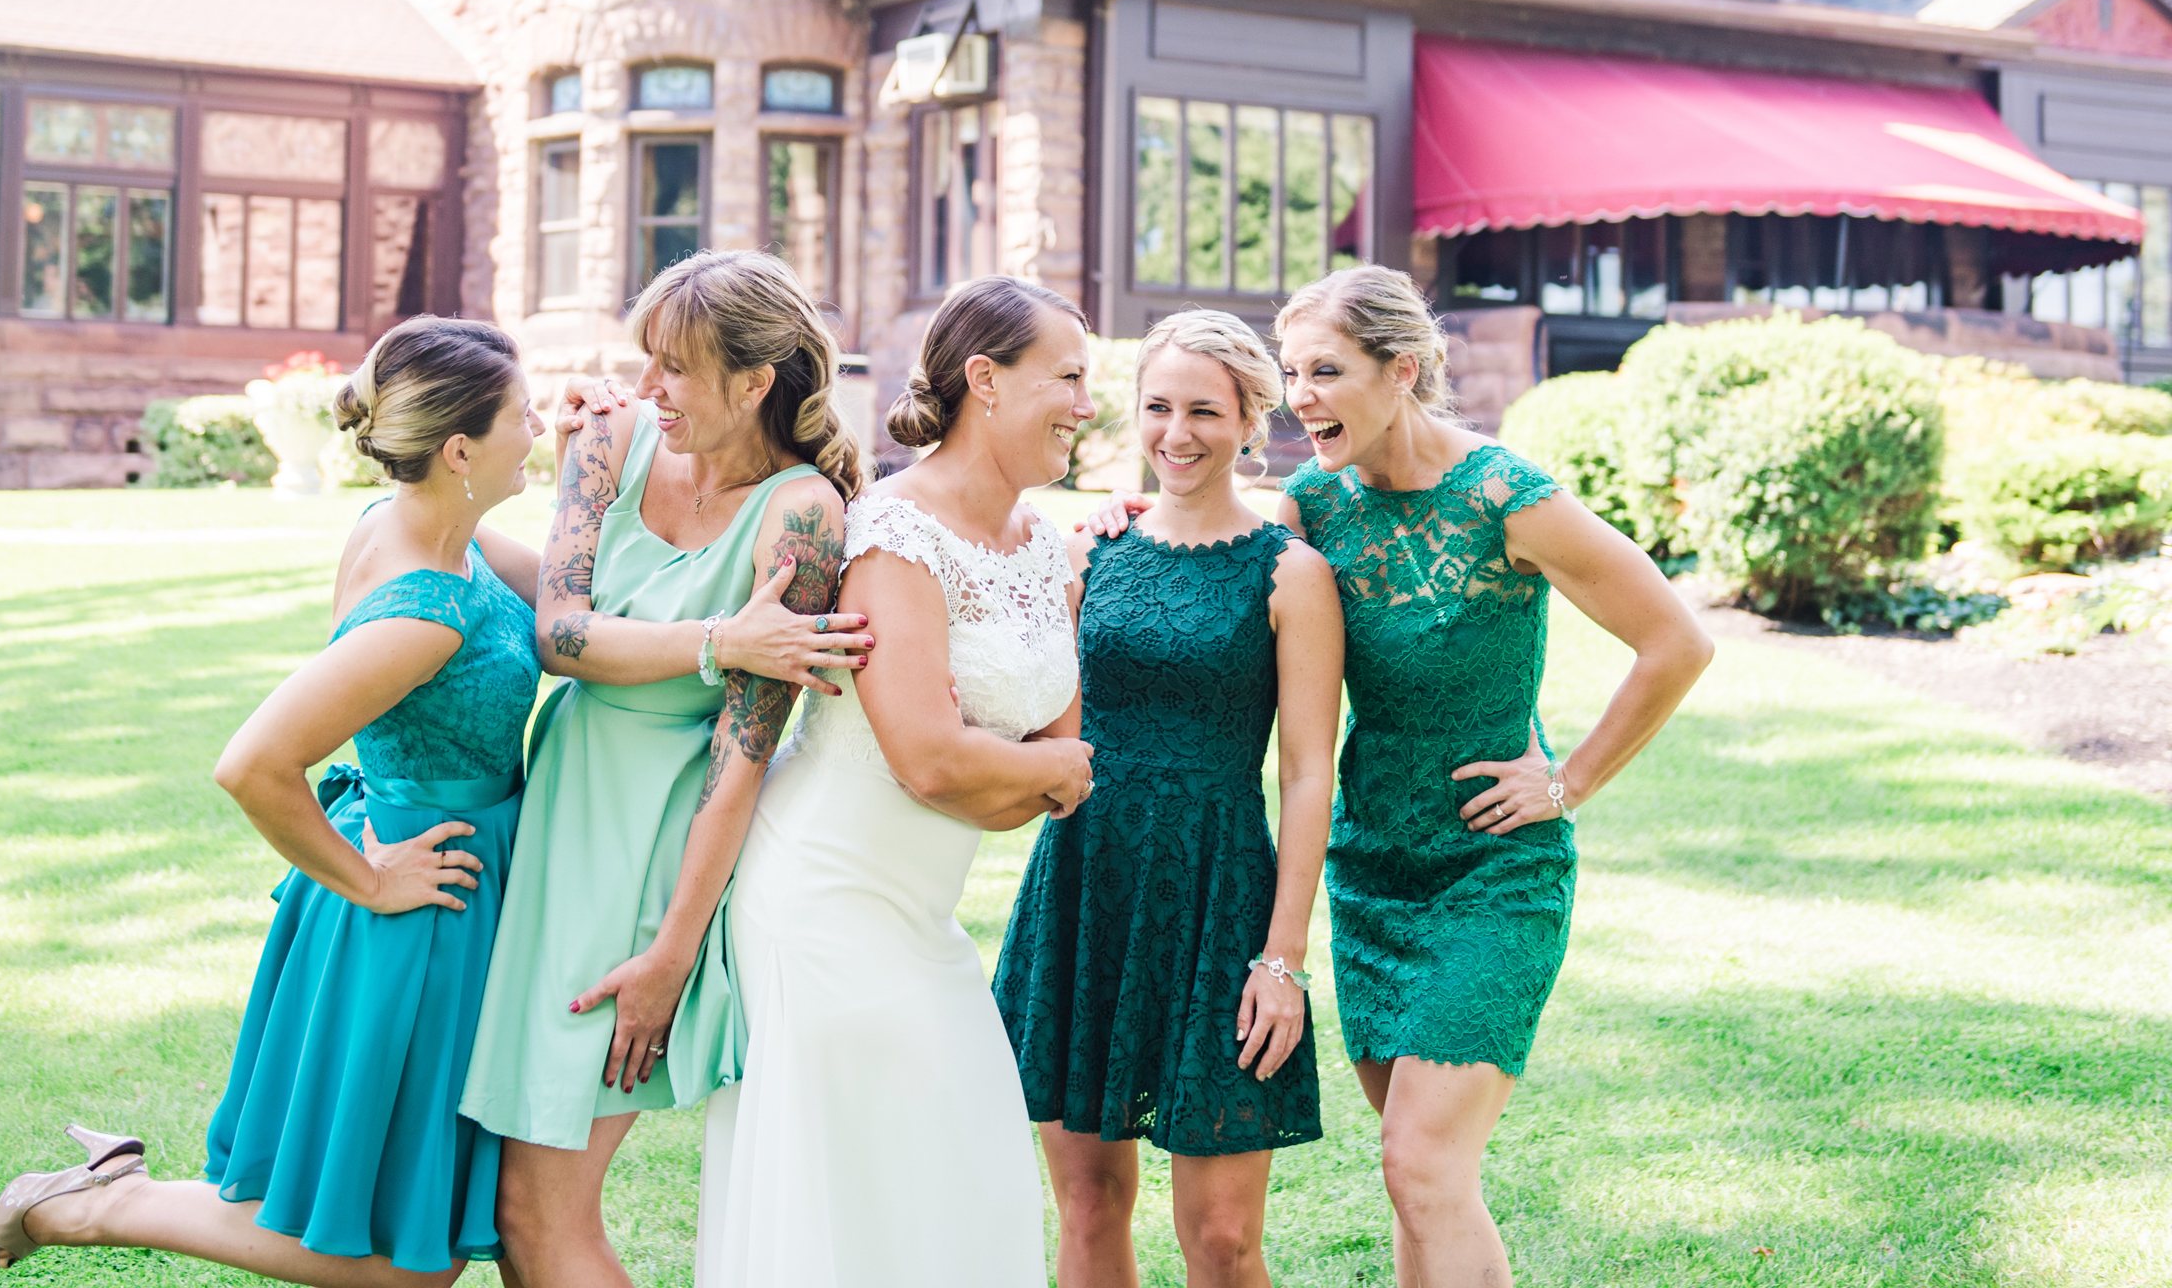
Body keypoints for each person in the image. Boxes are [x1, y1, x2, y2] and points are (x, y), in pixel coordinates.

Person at [1089, 266, 1712, 1287]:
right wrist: (1132, 519)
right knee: (1417, 1178)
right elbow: (1219, 556)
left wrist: (1569, 782)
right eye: (1293, 373)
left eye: (1327, 370)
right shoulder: (1315, 505)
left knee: (1423, 1164)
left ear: (1403, 369)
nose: (1302, 397)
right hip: (1372, 871)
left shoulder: (1507, 497)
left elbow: (1674, 642)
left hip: (1491, 873)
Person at [0, 316, 549, 1286]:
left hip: (455, 888)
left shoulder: (435, 527)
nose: (539, 425)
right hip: (419, 905)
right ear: (460, 449)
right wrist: (372, 881)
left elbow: (571, 607)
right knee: (404, 1262)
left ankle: (107, 1187)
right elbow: (250, 765)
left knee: (412, 1220)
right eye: (525, 412)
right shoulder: (424, 610)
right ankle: (102, 1201)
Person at [458, 251, 865, 1288]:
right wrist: (720, 639)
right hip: (556, 824)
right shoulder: (610, 441)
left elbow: (744, 762)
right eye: (646, 363)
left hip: (649, 863)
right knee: (521, 1213)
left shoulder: (801, 513)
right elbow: (559, 633)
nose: (648, 389)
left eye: (675, 369)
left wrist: (672, 954)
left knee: (540, 1214)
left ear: (754, 381)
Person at [691, 275, 1099, 1288]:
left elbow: (1019, 773)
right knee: (859, 1192)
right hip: (822, 894)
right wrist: (1039, 770)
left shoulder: (1045, 548)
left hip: (921, 911)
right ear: (986, 382)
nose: (1090, 403)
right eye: (1070, 376)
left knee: (965, 1173)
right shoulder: (894, 532)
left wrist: (1023, 773)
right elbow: (932, 758)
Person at [992, 310, 1344, 1288]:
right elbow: (1032, 718)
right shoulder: (1086, 549)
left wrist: (1283, 957)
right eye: (1157, 407)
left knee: (1222, 1239)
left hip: (1216, 896)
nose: (1176, 432)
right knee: (1090, 1206)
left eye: (1203, 410)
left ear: (1247, 424)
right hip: (1086, 886)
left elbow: (1308, 771)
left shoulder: (1290, 572)